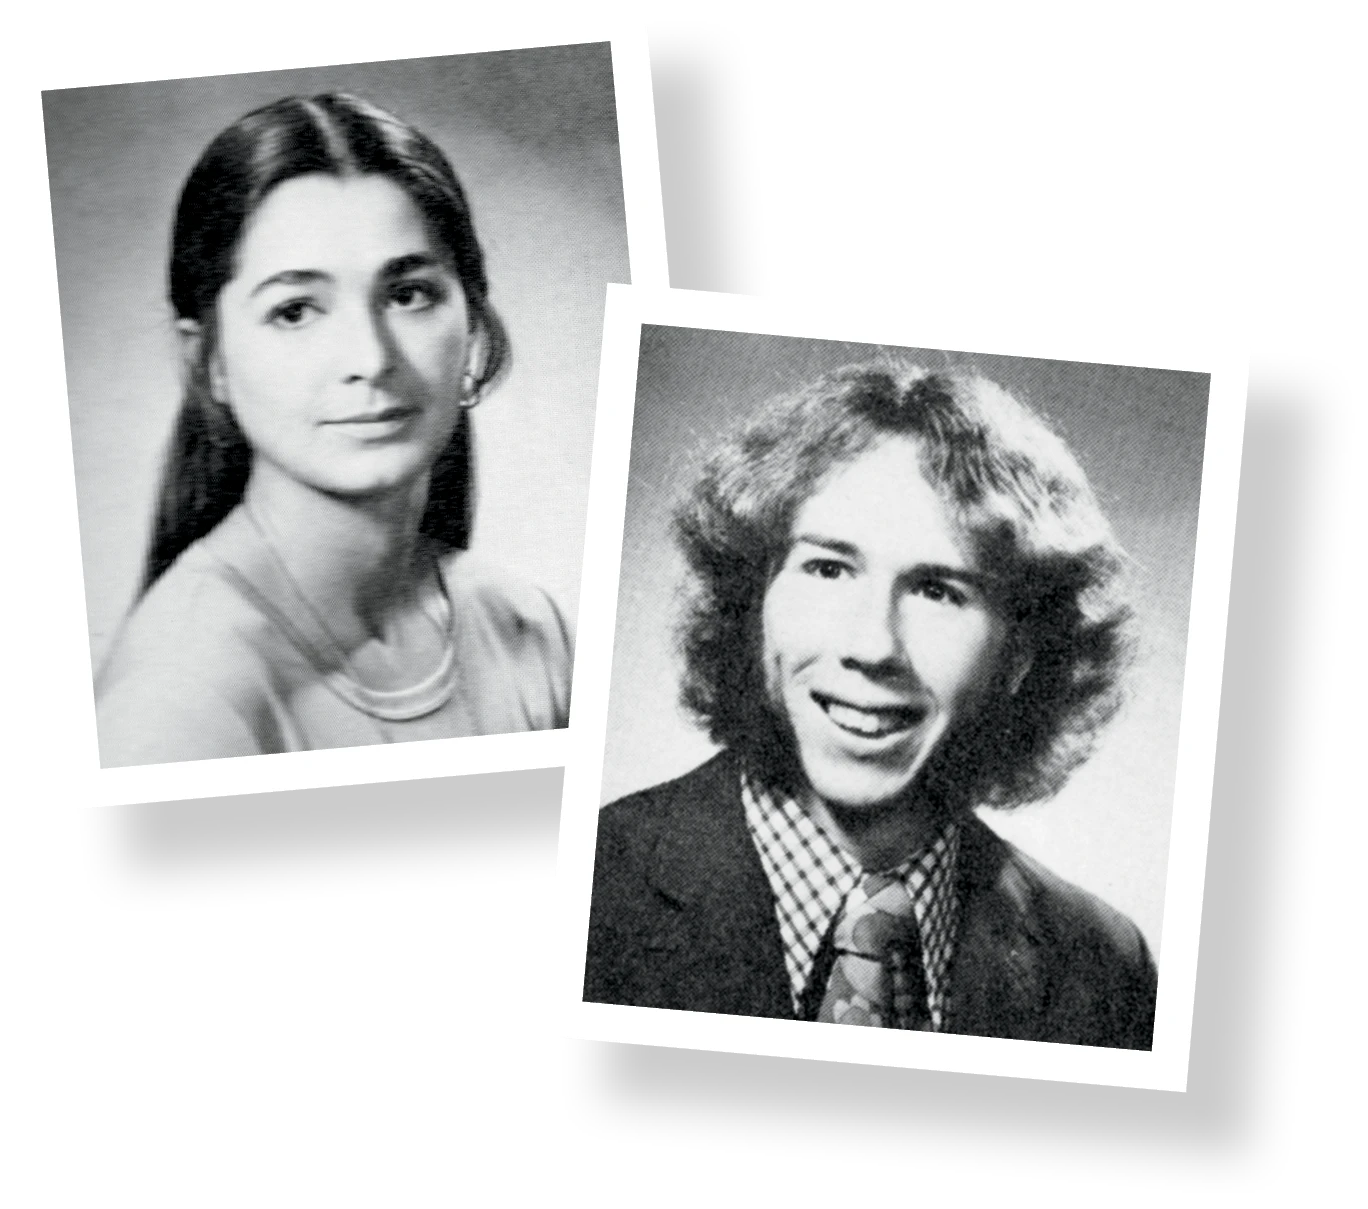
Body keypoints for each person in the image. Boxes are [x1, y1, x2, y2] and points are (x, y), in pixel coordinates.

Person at [584, 362, 1157, 1048]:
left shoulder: (1106, 965)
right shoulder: (589, 889)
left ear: (1020, 653)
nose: (872, 645)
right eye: (828, 568)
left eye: (939, 589)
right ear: (755, 600)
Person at [95, 93, 572, 766]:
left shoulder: (526, 629)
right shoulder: (177, 703)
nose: (370, 359)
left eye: (408, 294)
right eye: (295, 310)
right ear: (209, 363)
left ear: (472, 325)